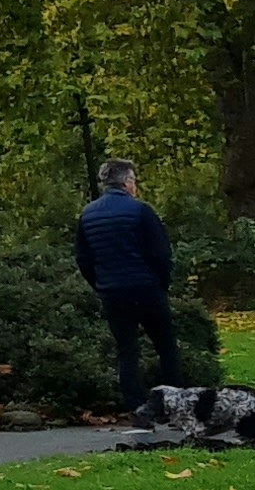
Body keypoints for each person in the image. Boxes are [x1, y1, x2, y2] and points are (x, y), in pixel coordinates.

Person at [72, 156, 182, 412]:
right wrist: (162, 283)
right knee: (166, 346)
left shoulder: (88, 215)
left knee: (127, 350)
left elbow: (83, 258)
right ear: (127, 182)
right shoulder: (141, 210)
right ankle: (176, 402)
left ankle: (135, 406)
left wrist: (100, 284)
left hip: (112, 292)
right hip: (146, 288)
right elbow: (160, 253)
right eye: (134, 180)